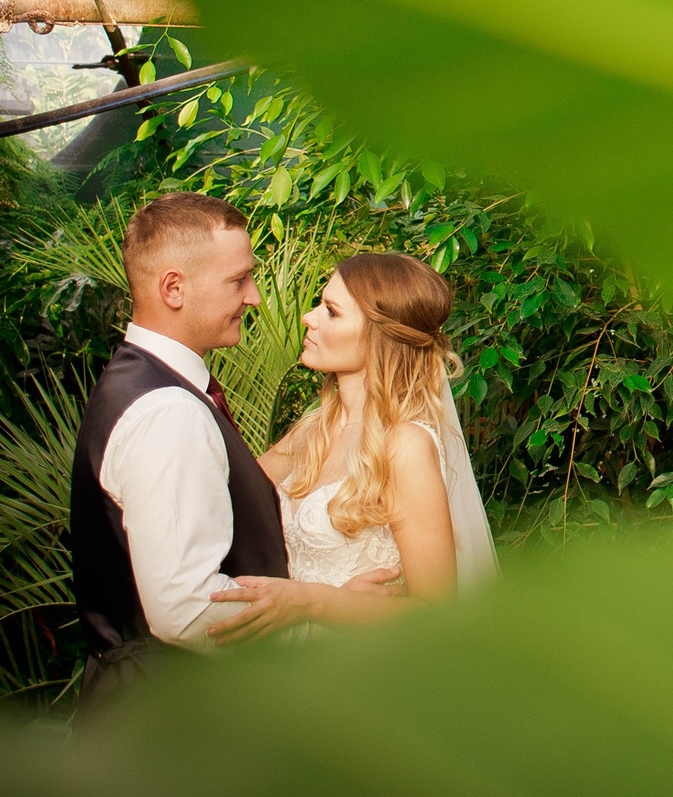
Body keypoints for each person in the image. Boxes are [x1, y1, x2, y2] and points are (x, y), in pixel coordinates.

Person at [206, 252, 498, 640]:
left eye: (331, 311)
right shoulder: (311, 431)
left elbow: (436, 615)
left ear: (382, 335)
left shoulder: (405, 445)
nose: (309, 318)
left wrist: (316, 603)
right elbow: (220, 499)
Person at [68, 191, 286, 700]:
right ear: (173, 287)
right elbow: (186, 609)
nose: (253, 296)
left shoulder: (139, 380)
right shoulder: (168, 410)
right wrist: (313, 622)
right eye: (238, 279)